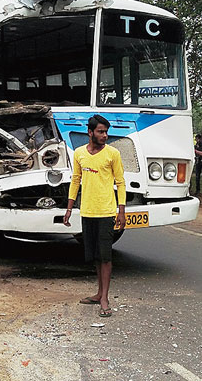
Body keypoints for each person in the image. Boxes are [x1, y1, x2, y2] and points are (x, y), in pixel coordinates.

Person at [64, 114, 126, 318]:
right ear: (90, 133)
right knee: (95, 256)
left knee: (106, 256)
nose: (105, 135)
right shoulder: (80, 153)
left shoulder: (113, 154)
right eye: (100, 131)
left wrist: (121, 211)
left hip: (106, 212)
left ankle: (105, 298)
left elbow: (120, 182)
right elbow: (75, 179)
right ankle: (99, 293)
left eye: (106, 132)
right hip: (87, 211)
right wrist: (69, 207)